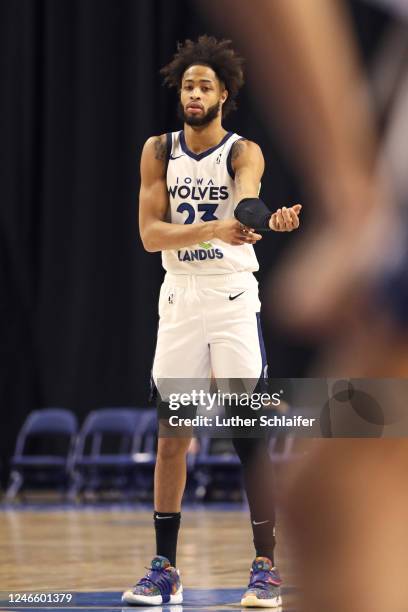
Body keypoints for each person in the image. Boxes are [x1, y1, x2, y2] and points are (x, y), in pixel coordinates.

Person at [122, 35, 301, 608]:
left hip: (229, 299)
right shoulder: (158, 150)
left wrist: (262, 220)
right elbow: (151, 235)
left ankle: (265, 569)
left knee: (247, 433)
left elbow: (246, 200)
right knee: (172, 436)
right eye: (187, 85)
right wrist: (212, 229)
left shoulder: (243, 151)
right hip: (179, 299)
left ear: (224, 93)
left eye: (204, 85)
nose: (194, 93)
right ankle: (165, 569)